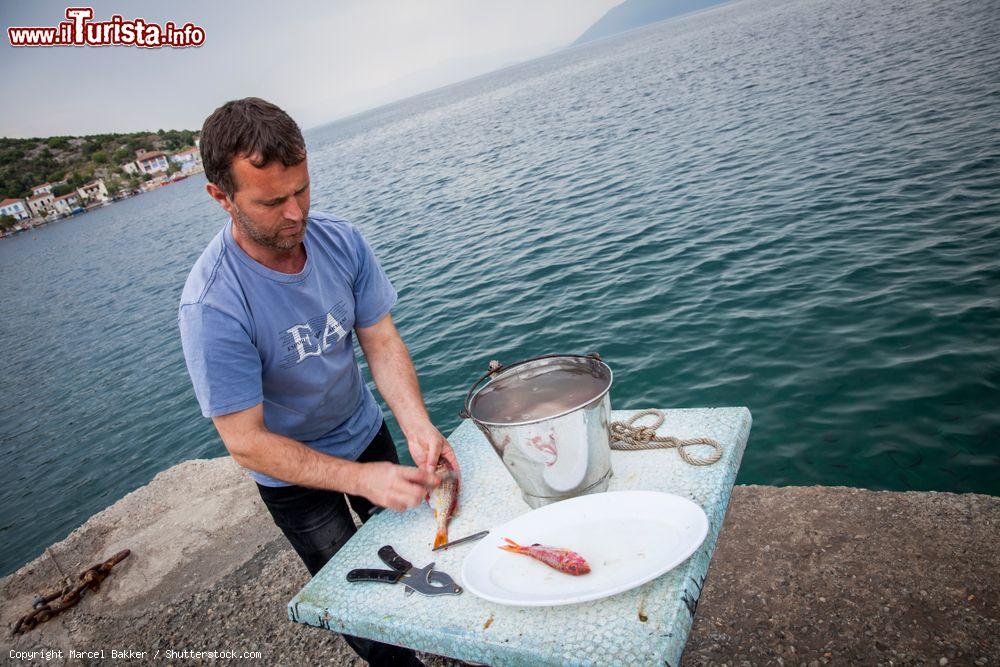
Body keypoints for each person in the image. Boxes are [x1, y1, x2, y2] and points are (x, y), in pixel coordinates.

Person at [177, 97, 459, 666]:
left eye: (302, 189)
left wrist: (418, 425)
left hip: (362, 430)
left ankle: (450, 640)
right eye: (272, 201)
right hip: (294, 480)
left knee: (424, 554)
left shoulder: (342, 241)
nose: (295, 213)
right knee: (363, 605)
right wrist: (361, 479)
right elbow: (245, 441)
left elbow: (379, 340)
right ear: (221, 197)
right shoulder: (212, 306)